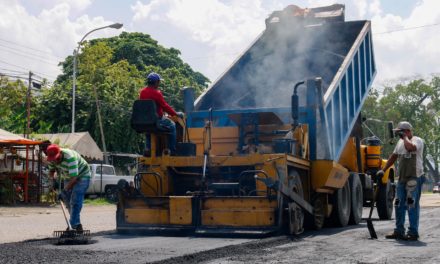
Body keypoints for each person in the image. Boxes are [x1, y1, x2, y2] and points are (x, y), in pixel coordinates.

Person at [378, 121, 424, 241]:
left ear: (407, 131)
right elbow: (393, 156)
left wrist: (404, 137)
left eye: (400, 132)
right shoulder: (399, 142)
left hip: (414, 177)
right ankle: (399, 231)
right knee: (398, 204)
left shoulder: (417, 140)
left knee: (411, 204)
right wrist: (383, 170)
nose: (398, 135)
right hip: (402, 178)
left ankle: (413, 232)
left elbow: (410, 148)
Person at [46, 144, 91, 231]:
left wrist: (63, 191)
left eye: (57, 159)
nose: (55, 161)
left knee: (75, 201)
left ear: (60, 153)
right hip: (68, 176)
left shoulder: (70, 158)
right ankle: (77, 225)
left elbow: (74, 178)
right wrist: (52, 182)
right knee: (67, 201)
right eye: (53, 160)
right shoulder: (52, 159)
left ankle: (72, 226)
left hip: (82, 176)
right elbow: (51, 171)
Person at [139, 72, 183, 154]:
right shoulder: (157, 93)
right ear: (155, 82)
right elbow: (165, 106)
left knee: (148, 129)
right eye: (159, 82)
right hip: (157, 119)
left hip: (145, 120)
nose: (159, 84)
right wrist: (175, 114)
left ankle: (148, 149)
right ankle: (171, 150)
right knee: (172, 125)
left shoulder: (142, 92)